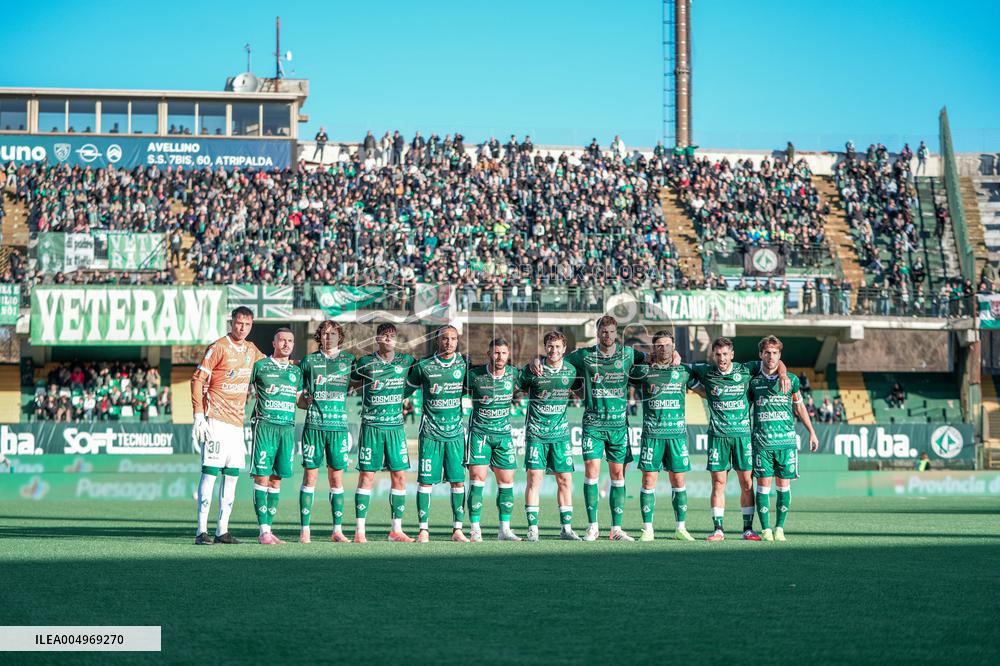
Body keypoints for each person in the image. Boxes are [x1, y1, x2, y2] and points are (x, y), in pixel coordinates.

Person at [531, 315, 646, 541]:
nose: (608, 335)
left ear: (617, 333)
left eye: (612, 332)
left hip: (619, 426)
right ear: (598, 333)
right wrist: (536, 359)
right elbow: (555, 359)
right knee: (591, 473)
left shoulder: (629, 354)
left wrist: (674, 355)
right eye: (604, 331)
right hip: (593, 424)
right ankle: (592, 526)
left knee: (617, 476)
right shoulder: (584, 355)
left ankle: (616, 529)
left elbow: (654, 358)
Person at [686, 337, 789, 542]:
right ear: (713, 356)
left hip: (743, 437)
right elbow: (682, 368)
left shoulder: (745, 370)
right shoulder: (706, 371)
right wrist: (700, 390)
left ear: (732, 354)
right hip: (718, 438)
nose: (722, 358)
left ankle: (748, 529)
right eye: (718, 354)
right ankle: (718, 529)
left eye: (725, 354)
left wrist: (784, 373)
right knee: (718, 482)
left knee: (747, 484)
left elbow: (774, 362)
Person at [190, 306, 265, 546]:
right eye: (239, 323)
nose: (242, 328)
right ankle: (201, 531)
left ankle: (222, 530)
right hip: (216, 421)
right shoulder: (218, 347)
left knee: (232, 476)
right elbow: (197, 379)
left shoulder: (251, 350)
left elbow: (270, 366)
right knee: (210, 474)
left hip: (236, 425)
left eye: (247, 325)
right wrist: (199, 415)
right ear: (231, 323)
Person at [351, 323, 417, 543]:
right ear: (377, 339)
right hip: (371, 427)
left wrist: (404, 393)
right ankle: (360, 531)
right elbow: (349, 382)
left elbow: (420, 377)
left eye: (392, 336)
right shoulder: (365, 362)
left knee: (399, 476)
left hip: (395, 428)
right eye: (384, 336)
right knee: (367, 477)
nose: (388, 339)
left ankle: (395, 530)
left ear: (396, 340)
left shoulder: (406, 361)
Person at [629, 331, 697, 541]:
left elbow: (707, 384)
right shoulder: (644, 371)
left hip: (676, 436)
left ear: (674, 347)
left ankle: (680, 528)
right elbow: (623, 367)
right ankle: (648, 529)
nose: (664, 349)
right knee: (649, 480)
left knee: (678, 480)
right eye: (659, 345)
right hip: (652, 435)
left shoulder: (684, 371)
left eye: (667, 345)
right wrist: (644, 358)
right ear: (654, 348)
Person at [750, 335, 819, 541]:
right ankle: (765, 530)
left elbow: (799, 406)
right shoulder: (753, 381)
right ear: (760, 354)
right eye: (767, 353)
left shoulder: (793, 380)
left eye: (775, 353)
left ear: (780, 355)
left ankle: (779, 528)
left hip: (786, 443)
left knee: (783, 486)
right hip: (762, 442)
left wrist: (812, 432)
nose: (771, 357)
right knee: (763, 486)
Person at [406, 326, 470, 543]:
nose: (449, 342)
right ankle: (423, 530)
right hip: (430, 434)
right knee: (425, 482)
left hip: (455, 435)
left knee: (458, 482)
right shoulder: (423, 365)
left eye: (453, 339)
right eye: (445, 339)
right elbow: (403, 389)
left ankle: (458, 529)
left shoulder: (464, 365)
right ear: (437, 341)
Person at [519, 330, 581, 541]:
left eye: (557, 347)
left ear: (564, 349)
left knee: (564, 480)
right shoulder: (534, 369)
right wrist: (532, 361)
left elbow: (582, 388)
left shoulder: (572, 371)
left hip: (561, 435)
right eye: (550, 347)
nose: (553, 350)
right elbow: (517, 386)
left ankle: (566, 528)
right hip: (536, 433)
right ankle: (533, 529)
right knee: (534, 479)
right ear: (545, 348)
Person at [297, 321, 354, 544]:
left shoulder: (349, 360)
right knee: (310, 476)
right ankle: (305, 530)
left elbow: (360, 383)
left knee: (336, 478)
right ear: (319, 336)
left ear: (340, 336)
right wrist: (304, 401)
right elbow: (298, 397)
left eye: (333, 333)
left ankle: (337, 530)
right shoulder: (309, 361)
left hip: (338, 428)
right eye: (324, 333)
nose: (328, 337)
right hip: (313, 426)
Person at [248, 329, 302, 545]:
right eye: (282, 340)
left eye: (290, 341)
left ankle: (269, 530)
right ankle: (263, 532)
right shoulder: (260, 366)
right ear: (274, 342)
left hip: (287, 428)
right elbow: (244, 389)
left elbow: (300, 401)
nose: (286, 344)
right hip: (265, 426)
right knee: (262, 476)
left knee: (276, 479)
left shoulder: (296, 372)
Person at [465, 338, 522, 542]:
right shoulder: (474, 376)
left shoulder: (515, 375)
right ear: (489, 354)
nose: (500, 357)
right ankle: (474, 529)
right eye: (496, 353)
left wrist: (535, 364)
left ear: (508, 355)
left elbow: (534, 382)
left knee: (506, 482)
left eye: (504, 353)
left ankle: (504, 530)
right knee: (477, 480)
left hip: (503, 436)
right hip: (479, 434)